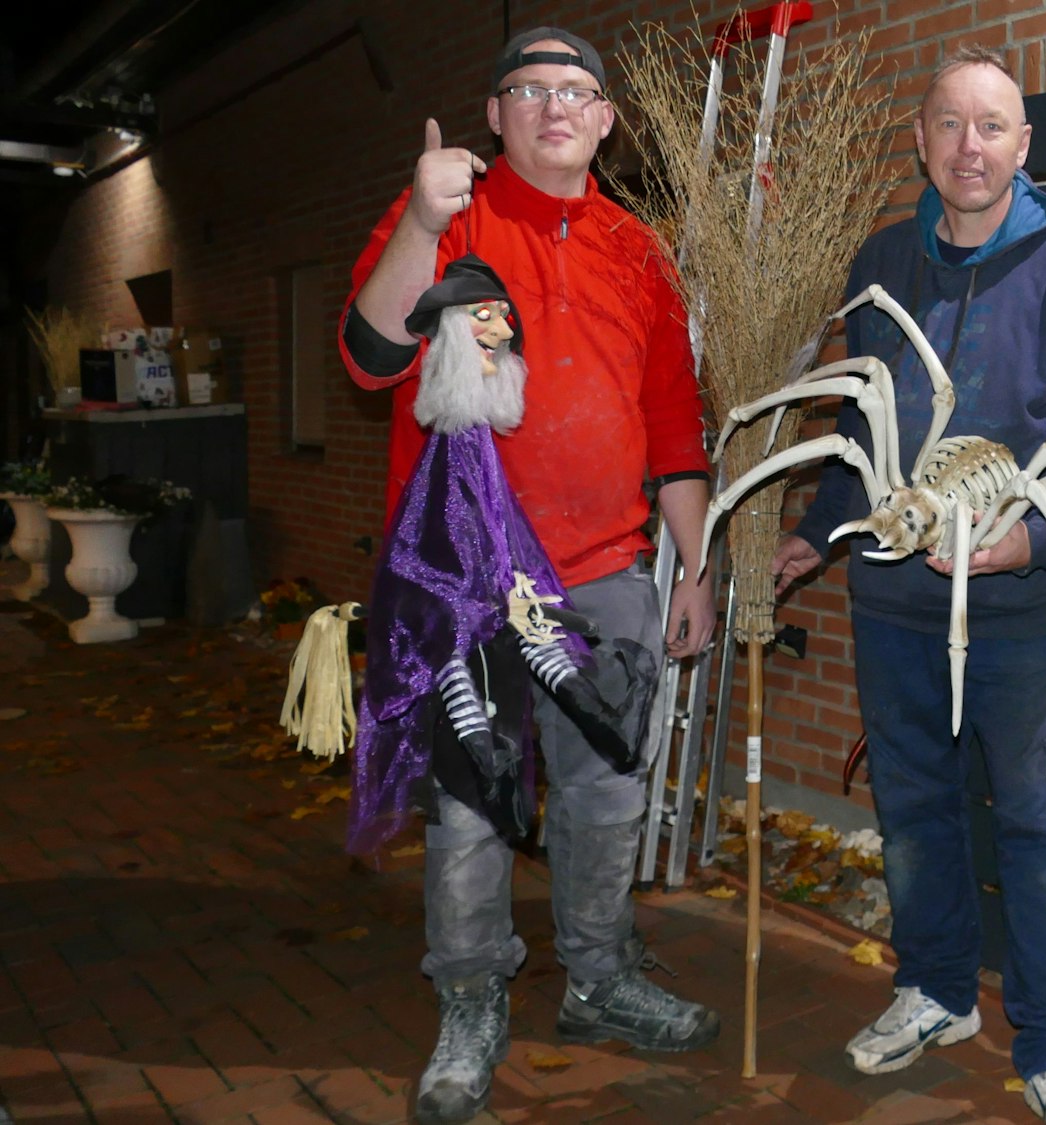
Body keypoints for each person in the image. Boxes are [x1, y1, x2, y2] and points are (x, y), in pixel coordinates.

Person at [336, 27, 719, 1125]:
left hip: (608, 572)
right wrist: (419, 217)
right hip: (466, 581)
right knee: (469, 806)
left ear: (605, 120)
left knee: (605, 795)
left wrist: (691, 568)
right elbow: (367, 356)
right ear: (496, 117)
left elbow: (670, 421)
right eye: (527, 88)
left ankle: (599, 979)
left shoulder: (637, 250)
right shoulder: (447, 220)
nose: (555, 105)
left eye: (577, 91)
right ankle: (469, 1000)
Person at [768, 44, 1046, 1125]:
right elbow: (855, 422)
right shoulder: (883, 263)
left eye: (990, 127)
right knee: (915, 810)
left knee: (1040, 824)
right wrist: (816, 533)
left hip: (1020, 610)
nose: (967, 147)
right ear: (921, 143)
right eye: (947, 126)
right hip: (893, 601)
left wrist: (1029, 542)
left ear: (1023, 146)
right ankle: (933, 990)